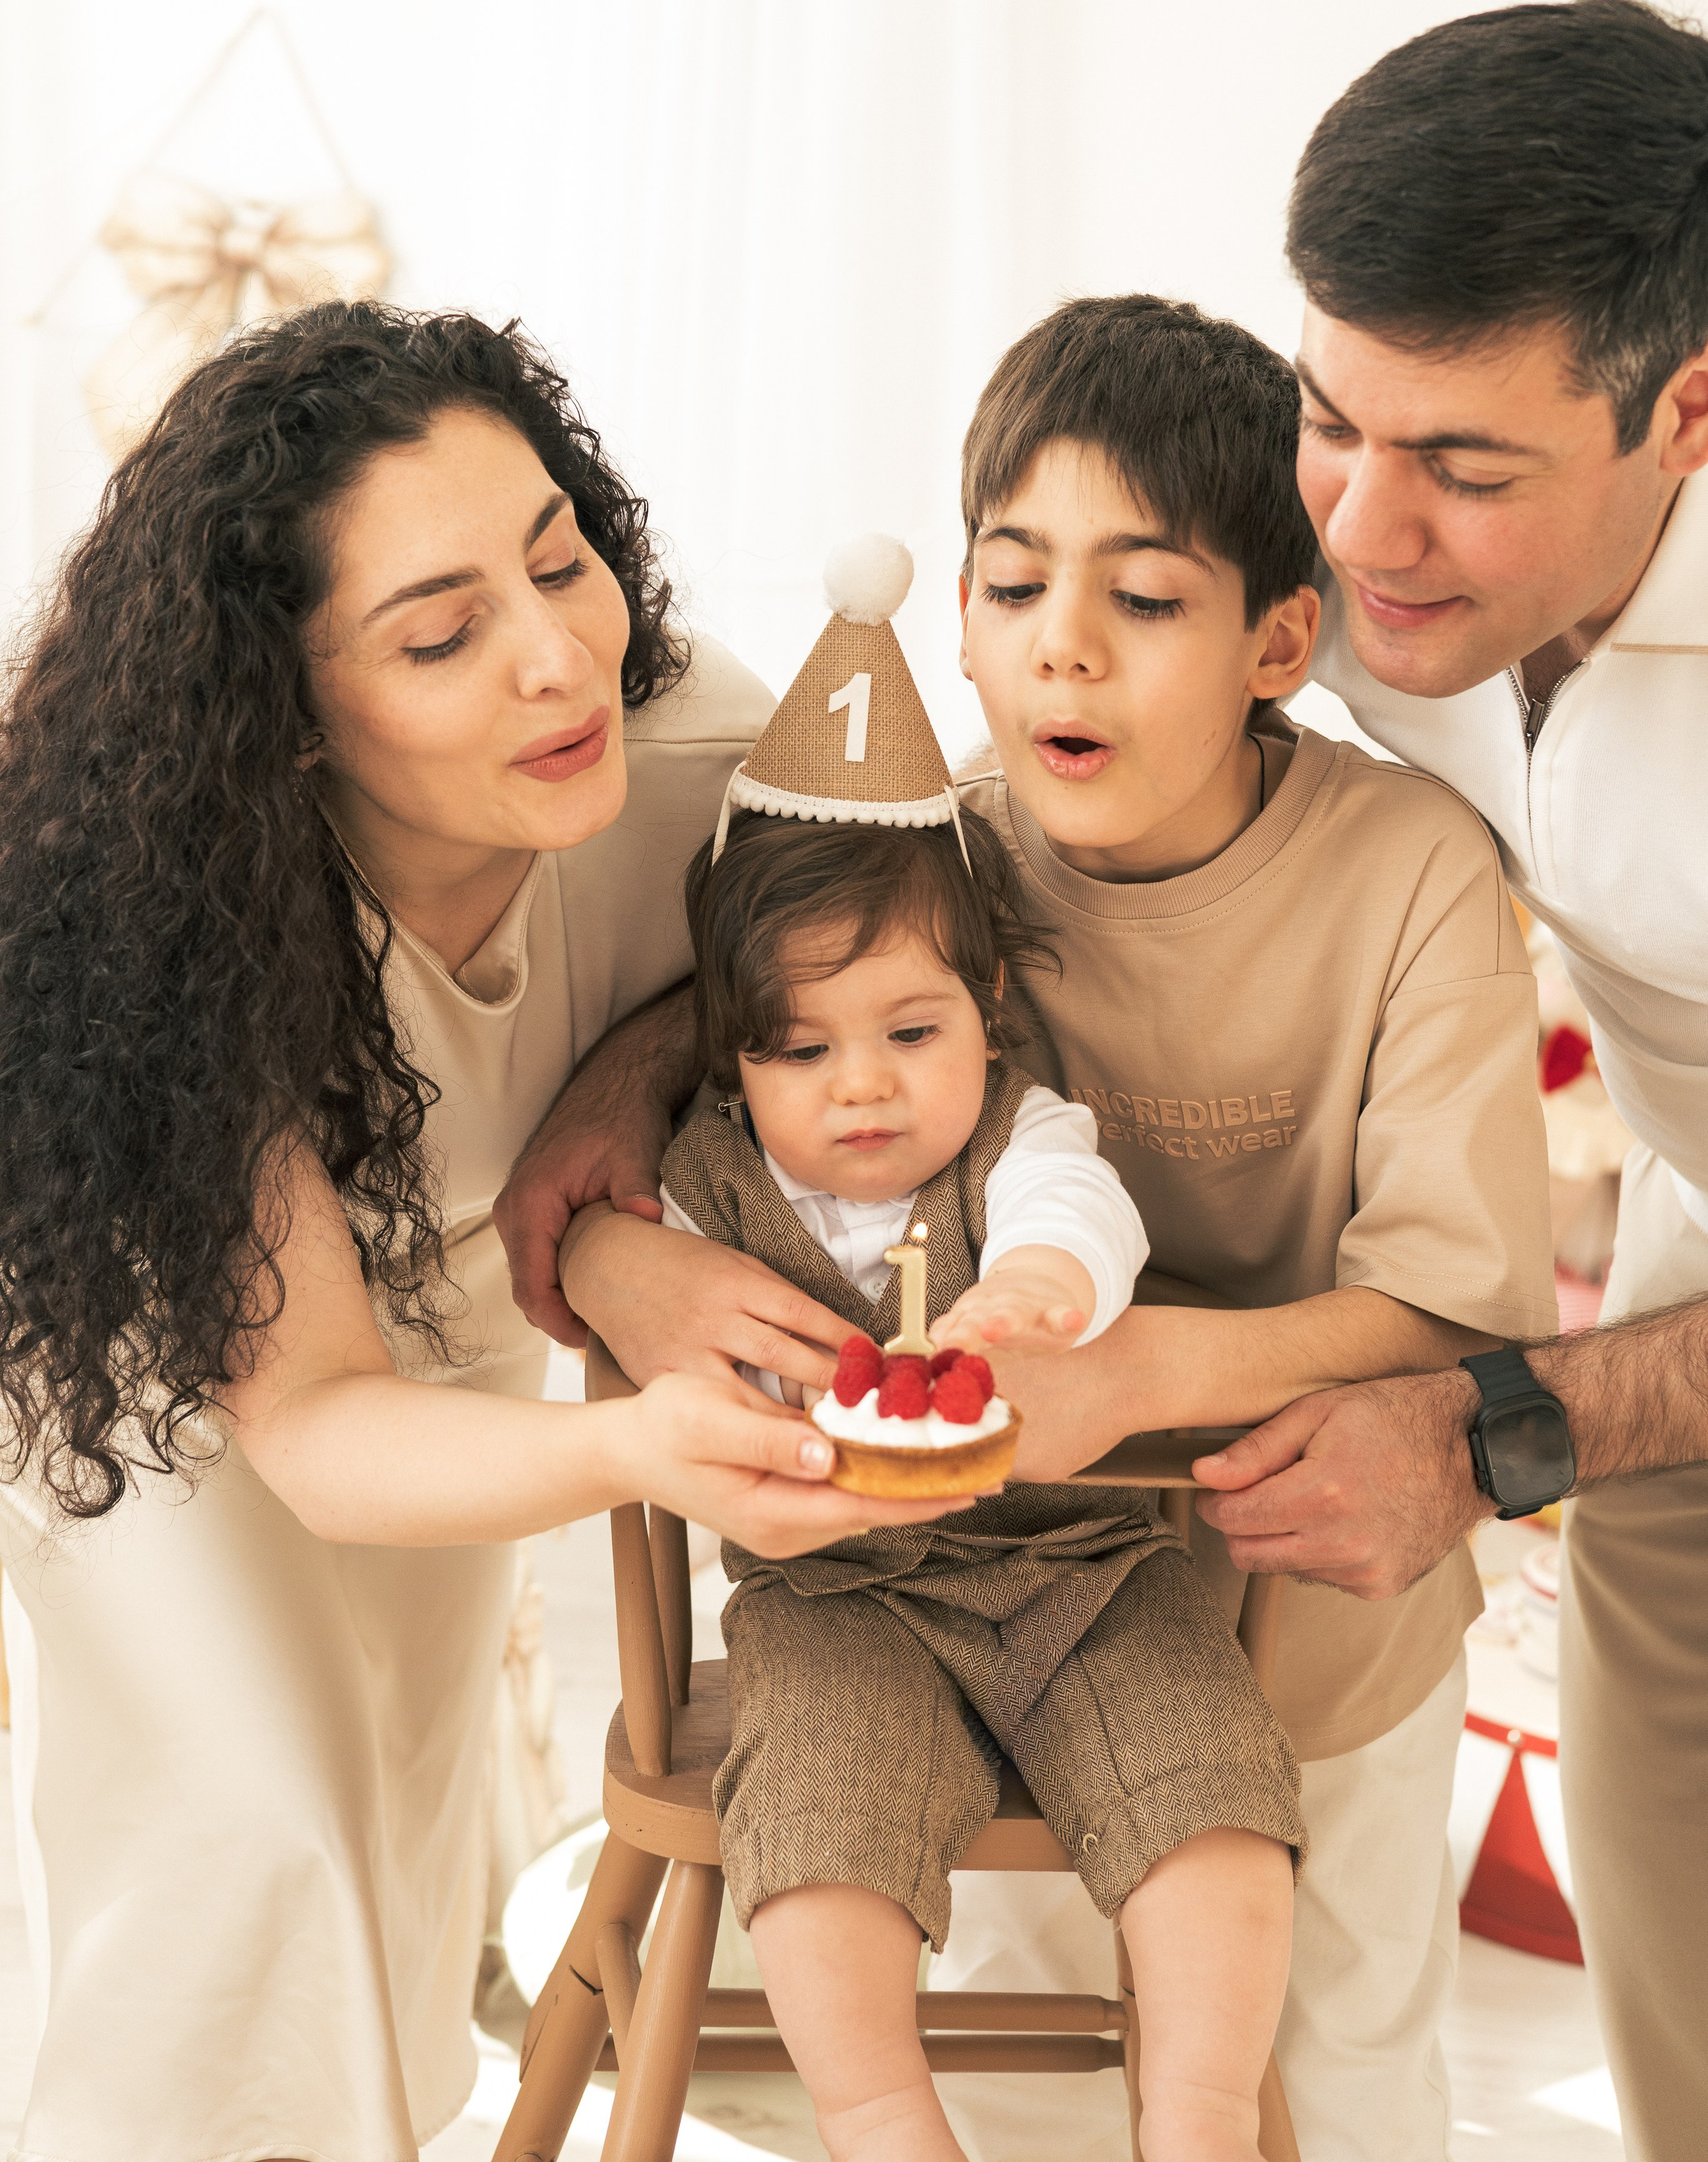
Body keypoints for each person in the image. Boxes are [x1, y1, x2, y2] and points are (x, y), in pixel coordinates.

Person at [498, 296, 1560, 2162]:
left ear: (1280, 643)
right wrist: (615, 1250)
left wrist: (1136, 1371)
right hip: (950, 1613)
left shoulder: (1412, 881)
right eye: (1009, 587)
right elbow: (750, 1049)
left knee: (1345, 2072)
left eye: (1145, 602)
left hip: (1318, 1617)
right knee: (1015, 2055)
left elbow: (1456, 1314)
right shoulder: (932, 861)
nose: (1062, 650)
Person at [0, 303, 955, 2162]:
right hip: (156, 1327)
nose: (557, 659)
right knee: (246, 1832)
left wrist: (631, 1077)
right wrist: (629, 1439)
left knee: (396, 1801)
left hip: (441, 1293)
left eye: (560, 559)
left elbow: (924, 939)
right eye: (443, 635)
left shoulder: (698, 763)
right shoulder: (190, 928)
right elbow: (314, 1423)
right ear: (278, 717)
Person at [1190, 0, 1708, 2162]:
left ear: (1689, 410)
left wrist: (1504, 1423)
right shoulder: (1357, 542)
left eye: (1468, 470)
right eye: (1337, 422)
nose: (1366, 530)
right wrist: (647, 1053)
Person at [660, 546, 1302, 2162]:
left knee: (1208, 1787)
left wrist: (1029, 1293)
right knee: (810, 1829)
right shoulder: (704, 1184)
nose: (859, 1086)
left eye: (909, 1032)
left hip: (1079, 1563)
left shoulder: (1024, 1133)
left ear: (988, 1006)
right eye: (797, 1049)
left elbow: (1078, 1214)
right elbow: (670, 1356)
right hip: (835, 1592)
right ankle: (885, 2122)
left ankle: (1203, 2111)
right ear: (731, 1060)